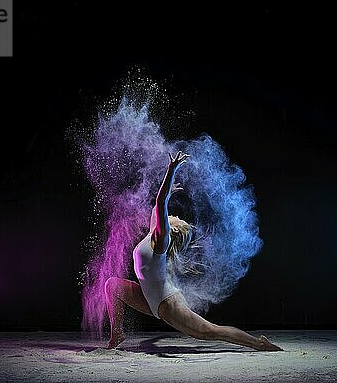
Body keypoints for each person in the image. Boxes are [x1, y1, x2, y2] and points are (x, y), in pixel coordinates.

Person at [104, 150, 282, 351]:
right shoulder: (153, 231)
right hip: (148, 299)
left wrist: (171, 170)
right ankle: (117, 334)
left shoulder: (161, 240)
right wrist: (169, 192)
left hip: (167, 303)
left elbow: (160, 203)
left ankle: (258, 343)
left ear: (174, 229)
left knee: (209, 332)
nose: (175, 217)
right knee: (112, 286)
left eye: (178, 219)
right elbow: (157, 209)